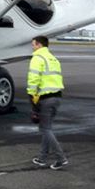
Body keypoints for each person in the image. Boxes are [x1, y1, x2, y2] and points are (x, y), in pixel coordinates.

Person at [28, 36, 68, 170]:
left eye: (33, 45)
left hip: (46, 98)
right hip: (57, 97)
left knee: (45, 129)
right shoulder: (53, 58)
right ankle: (42, 158)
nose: (32, 47)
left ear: (39, 45)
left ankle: (61, 158)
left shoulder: (37, 58)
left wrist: (32, 99)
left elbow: (33, 79)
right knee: (47, 128)